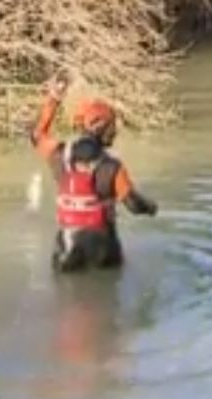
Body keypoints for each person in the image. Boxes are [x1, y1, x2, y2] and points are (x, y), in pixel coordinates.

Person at [30, 76, 158, 273]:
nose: (114, 132)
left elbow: (37, 135)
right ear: (101, 128)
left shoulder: (58, 156)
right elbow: (133, 204)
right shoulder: (113, 167)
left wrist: (54, 99)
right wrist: (150, 207)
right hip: (104, 250)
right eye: (111, 127)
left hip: (67, 249)